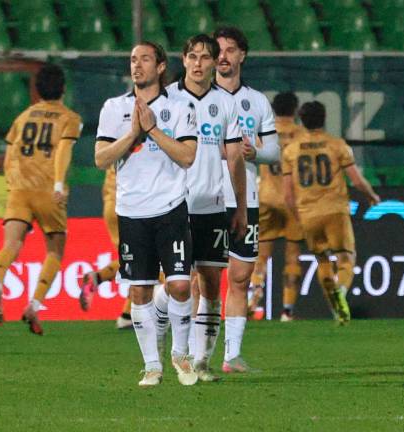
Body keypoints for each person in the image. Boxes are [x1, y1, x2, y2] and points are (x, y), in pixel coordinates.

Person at [94, 41, 199, 386]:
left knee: (181, 285)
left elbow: (186, 157)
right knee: (138, 293)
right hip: (131, 212)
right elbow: (101, 158)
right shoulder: (113, 107)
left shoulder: (181, 107)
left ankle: (180, 354)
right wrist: (133, 134)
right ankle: (152, 365)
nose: (137, 65)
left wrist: (153, 129)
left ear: (161, 67)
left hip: (170, 209)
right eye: (133, 59)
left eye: (144, 60)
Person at [166, 34, 247, 381]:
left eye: (205, 57)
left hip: (212, 205)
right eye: (193, 56)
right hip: (172, 204)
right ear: (183, 60)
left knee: (211, 283)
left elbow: (235, 160)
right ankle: (175, 353)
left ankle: (201, 361)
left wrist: (240, 206)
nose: (198, 63)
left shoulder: (225, 104)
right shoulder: (166, 100)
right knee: (177, 283)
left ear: (215, 63)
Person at [0, 64, 82, 336]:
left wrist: (13, 186)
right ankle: (34, 304)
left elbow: (8, 157)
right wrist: (58, 184)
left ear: (36, 90)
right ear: (63, 88)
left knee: (12, 243)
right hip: (47, 190)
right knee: (55, 250)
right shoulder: (69, 118)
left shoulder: (23, 116)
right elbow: (63, 149)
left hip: (19, 189)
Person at [214, 26, 281, 373]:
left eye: (230, 50)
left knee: (240, 277)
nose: (223, 56)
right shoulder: (199, 98)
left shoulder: (256, 101)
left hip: (245, 199)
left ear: (242, 55)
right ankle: (194, 354)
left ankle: (231, 356)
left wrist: (255, 152)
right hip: (205, 198)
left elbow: (275, 151)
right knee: (202, 279)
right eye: (218, 50)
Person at [282, 101, 379, 325]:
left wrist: (300, 218)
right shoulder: (337, 145)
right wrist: (371, 196)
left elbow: (288, 196)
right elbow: (356, 180)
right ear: (324, 118)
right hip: (335, 210)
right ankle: (340, 296)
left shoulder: (291, 150)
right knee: (346, 258)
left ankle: (336, 308)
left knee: (322, 259)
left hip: (308, 214)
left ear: (302, 121)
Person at [249, 92, 307, 322]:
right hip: (294, 201)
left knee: (260, 256)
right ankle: (287, 311)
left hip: (266, 197)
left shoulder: (264, 132)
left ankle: (252, 301)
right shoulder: (303, 136)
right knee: (293, 256)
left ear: (273, 109)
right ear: (295, 110)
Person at [77, 165, 135, 329]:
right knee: (143, 259)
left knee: (134, 259)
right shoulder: (144, 140)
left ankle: (127, 314)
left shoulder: (112, 140)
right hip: (130, 204)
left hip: (111, 202)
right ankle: (98, 277)